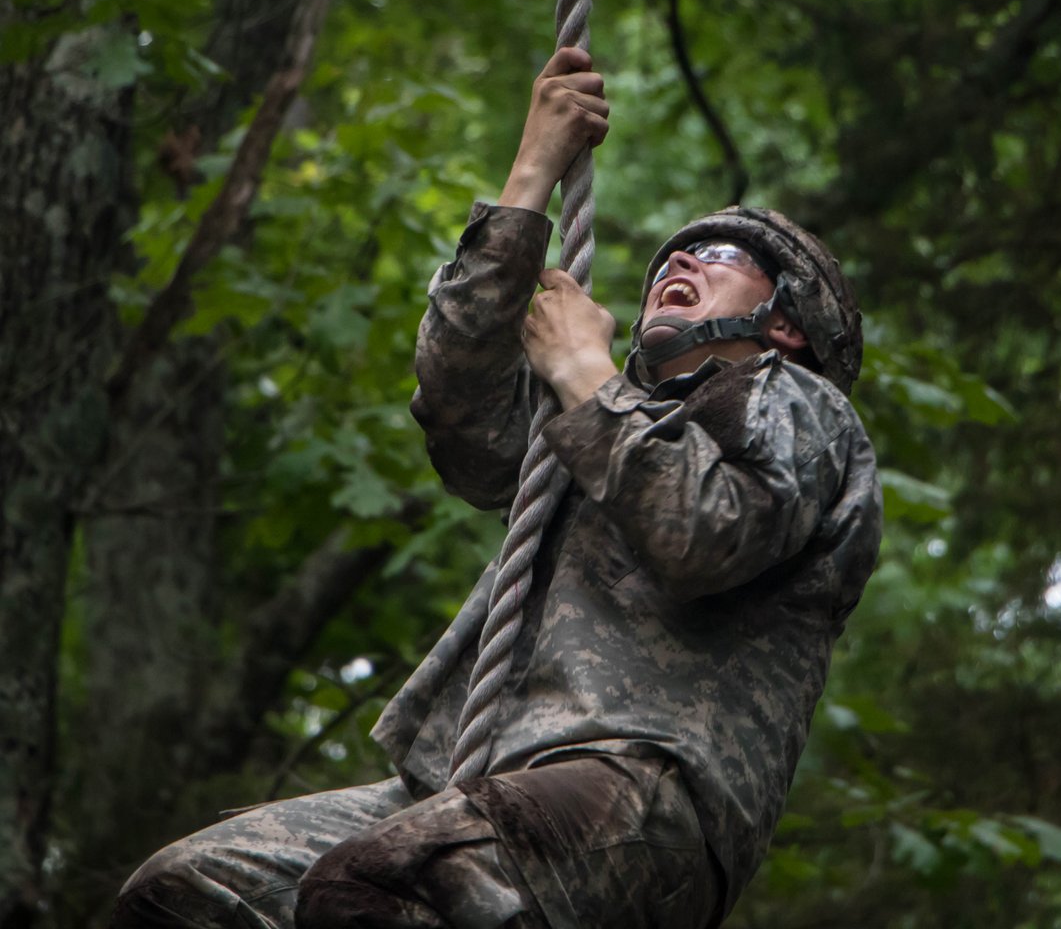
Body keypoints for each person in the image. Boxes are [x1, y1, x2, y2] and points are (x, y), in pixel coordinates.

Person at [110, 47, 882, 929]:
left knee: (376, 888)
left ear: (785, 319)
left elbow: (704, 533)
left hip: (643, 791)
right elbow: (462, 422)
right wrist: (532, 172)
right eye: (675, 252)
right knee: (186, 894)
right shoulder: (600, 417)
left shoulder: (799, 404)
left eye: (719, 253)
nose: (684, 261)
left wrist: (585, 368)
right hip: (476, 788)